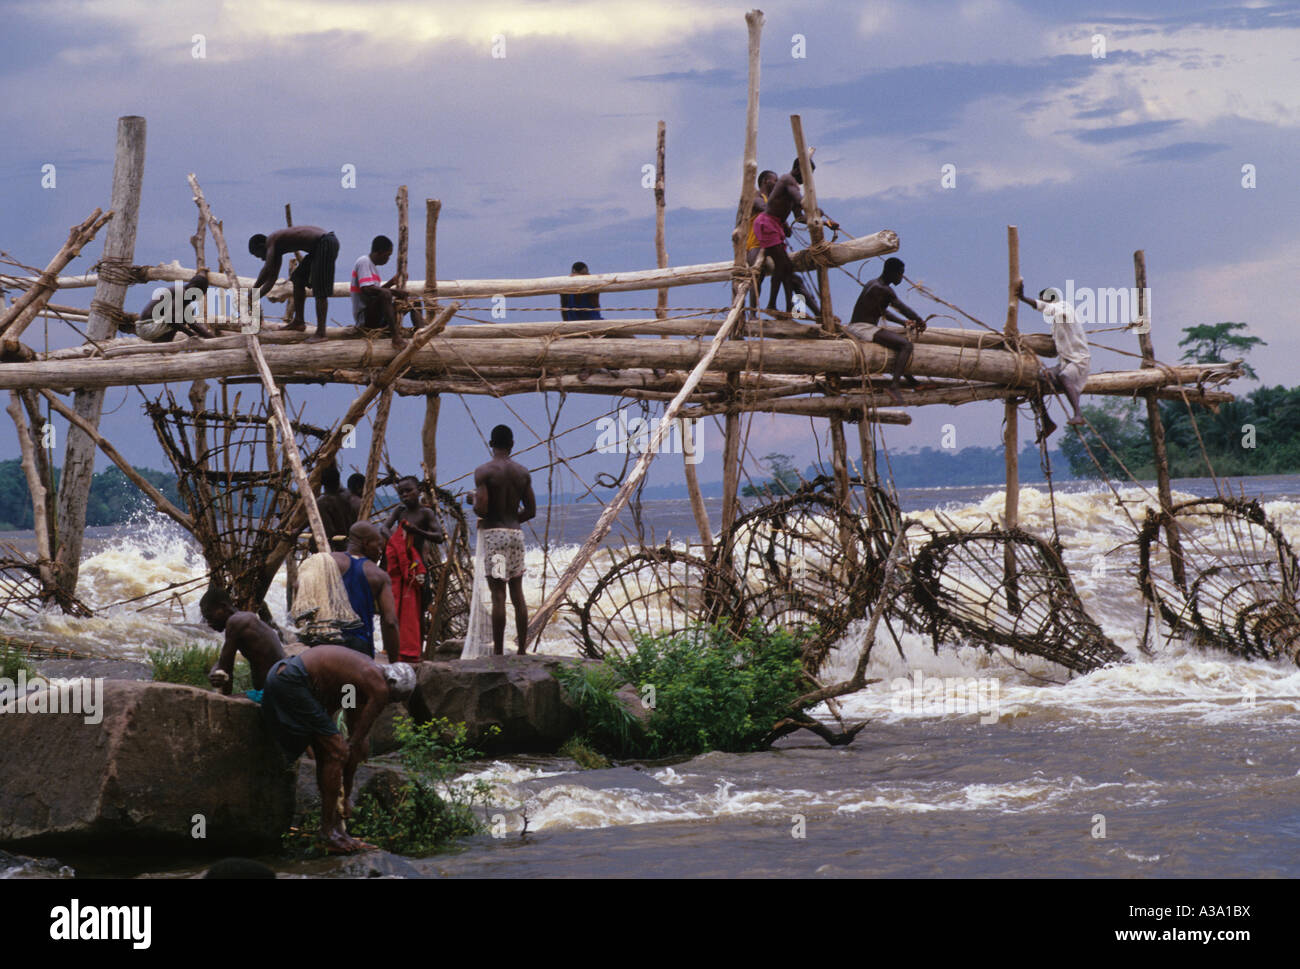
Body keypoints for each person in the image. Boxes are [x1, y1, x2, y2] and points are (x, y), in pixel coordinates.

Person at [261, 643, 415, 853]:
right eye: (393, 700)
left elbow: (356, 741)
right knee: (337, 750)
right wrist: (342, 764)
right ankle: (327, 832)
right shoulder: (378, 687)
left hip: (284, 676)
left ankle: (335, 828)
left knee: (333, 751)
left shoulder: (356, 684)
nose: (388, 704)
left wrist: (346, 796)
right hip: (289, 680)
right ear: (392, 686)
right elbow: (352, 744)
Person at [470, 425, 536, 655]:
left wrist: (473, 499)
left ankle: (498, 652)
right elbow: (531, 511)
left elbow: (482, 509)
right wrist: (511, 520)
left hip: (495, 537)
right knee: (517, 593)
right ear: (512, 445)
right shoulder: (522, 473)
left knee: (498, 594)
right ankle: (521, 652)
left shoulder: (484, 472)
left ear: (491, 444)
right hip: (515, 536)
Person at [754, 155, 836, 319]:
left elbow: (800, 217)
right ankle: (774, 305)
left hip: (776, 226)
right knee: (785, 267)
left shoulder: (792, 185)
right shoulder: (787, 180)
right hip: (767, 224)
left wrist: (825, 222)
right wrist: (813, 208)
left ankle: (791, 308)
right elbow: (801, 201)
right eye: (808, 174)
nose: (808, 179)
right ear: (799, 170)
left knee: (786, 269)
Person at [845, 257, 927, 405]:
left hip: (860, 326)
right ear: (891, 272)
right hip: (862, 328)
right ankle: (894, 386)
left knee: (897, 344)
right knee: (906, 346)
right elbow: (903, 308)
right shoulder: (884, 289)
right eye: (900, 274)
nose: (901, 277)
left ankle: (913, 382)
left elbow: (881, 311)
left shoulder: (873, 284)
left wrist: (903, 322)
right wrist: (920, 320)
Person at [1017, 280, 1090, 439]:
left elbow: (1048, 308)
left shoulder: (1065, 308)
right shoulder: (1055, 324)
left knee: (1064, 376)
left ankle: (1078, 414)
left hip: (1078, 360)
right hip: (1065, 362)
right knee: (1037, 380)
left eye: (1043, 300)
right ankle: (1047, 422)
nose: (1043, 305)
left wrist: (1023, 298)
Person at [384, 477, 445, 662]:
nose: (405, 495)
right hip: (400, 566)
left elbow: (439, 536)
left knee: (418, 609)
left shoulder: (425, 513)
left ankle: (416, 651)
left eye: (408, 491)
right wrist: (397, 543)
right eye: (401, 493)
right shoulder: (400, 511)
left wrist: (417, 532)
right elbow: (384, 528)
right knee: (396, 609)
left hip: (418, 567)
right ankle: (396, 650)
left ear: (418, 490)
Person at [249, 226, 340, 341]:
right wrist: (255, 296)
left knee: (320, 290)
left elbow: (267, 269)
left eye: (259, 255)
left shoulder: (272, 241)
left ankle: (321, 333)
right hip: (319, 247)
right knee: (298, 279)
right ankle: (299, 322)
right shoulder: (277, 248)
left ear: (262, 246)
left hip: (326, 243)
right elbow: (272, 278)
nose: (262, 259)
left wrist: (253, 293)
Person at [329, 521, 401, 662]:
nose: (381, 552)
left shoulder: (328, 560)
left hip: (326, 642)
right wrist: (394, 663)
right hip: (358, 646)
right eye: (379, 545)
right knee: (350, 685)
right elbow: (390, 621)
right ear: (366, 543)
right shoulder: (378, 575)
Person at [201, 587, 286, 696]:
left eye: (209, 616)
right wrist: (216, 670)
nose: (209, 623)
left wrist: (224, 702)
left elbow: (226, 669)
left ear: (223, 607)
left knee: (231, 703)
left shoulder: (235, 623)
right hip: (279, 684)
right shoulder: (244, 618)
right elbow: (224, 660)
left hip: (276, 691)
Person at [350, 235, 407, 350]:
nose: (388, 259)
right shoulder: (364, 261)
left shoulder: (373, 268)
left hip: (376, 314)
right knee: (386, 294)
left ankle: (422, 331)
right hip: (365, 318)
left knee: (413, 301)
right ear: (380, 252)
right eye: (388, 255)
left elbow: (376, 293)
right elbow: (367, 289)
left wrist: (391, 283)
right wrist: (394, 291)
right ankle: (395, 337)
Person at [124, 272, 215, 342]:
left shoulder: (182, 292)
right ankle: (163, 346)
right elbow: (170, 319)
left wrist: (210, 338)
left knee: (187, 314)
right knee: (181, 317)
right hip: (147, 327)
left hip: (147, 327)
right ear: (194, 288)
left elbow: (191, 322)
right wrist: (192, 335)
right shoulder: (181, 294)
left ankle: (162, 345)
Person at [316, 463, 357, 552]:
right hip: (349, 546)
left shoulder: (322, 503)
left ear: (321, 483)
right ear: (338, 481)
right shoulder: (347, 498)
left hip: (336, 548)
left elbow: (329, 530)